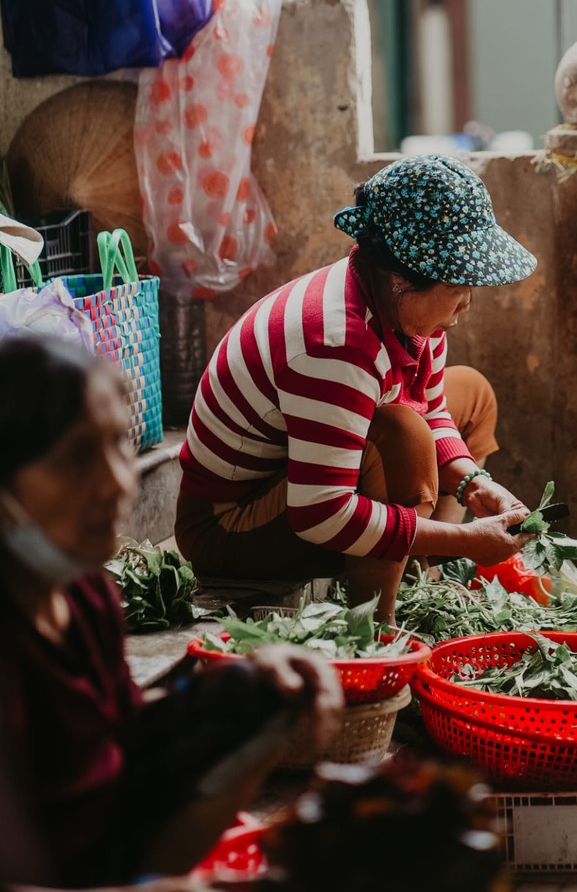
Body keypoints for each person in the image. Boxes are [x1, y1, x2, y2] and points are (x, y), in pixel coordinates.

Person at [0, 336, 343, 892]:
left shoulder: (86, 595)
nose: (116, 483)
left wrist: (261, 672)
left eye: (115, 446)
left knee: (259, 699)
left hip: (92, 853)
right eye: (78, 458)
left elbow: (122, 733)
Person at [177, 155, 539, 618]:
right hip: (227, 525)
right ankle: (378, 629)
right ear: (403, 278)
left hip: (299, 478)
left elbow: (435, 410)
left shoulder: (400, 310)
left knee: (471, 391)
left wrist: (474, 483)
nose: (467, 303)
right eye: (457, 285)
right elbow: (322, 513)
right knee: (403, 437)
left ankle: (421, 571)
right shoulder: (334, 345)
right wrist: (467, 541)